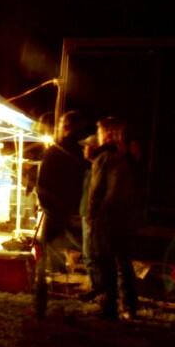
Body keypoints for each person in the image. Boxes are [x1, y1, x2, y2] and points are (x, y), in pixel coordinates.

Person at [34, 110, 90, 317]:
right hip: (78, 214)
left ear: (65, 127)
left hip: (57, 213)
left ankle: (43, 302)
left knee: (45, 259)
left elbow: (42, 186)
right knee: (87, 258)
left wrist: (51, 207)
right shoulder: (83, 154)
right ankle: (70, 300)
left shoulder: (55, 152)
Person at [88, 117, 143, 320]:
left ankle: (109, 306)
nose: (100, 136)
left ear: (109, 133)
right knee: (124, 263)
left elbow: (98, 189)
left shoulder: (106, 157)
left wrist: (92, 214)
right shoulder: (128, 157)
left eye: (102, 132)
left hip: (108, 217)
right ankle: (129, 306)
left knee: (106, 263)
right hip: (126, 218)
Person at [78, 134, 102, 300]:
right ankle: (96, 287)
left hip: (92, 217)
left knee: (92, 253)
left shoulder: (98, 169)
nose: (84, 149)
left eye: (86, 146)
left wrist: (91, 215)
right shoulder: (91, 169)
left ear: (93, 148)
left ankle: (97, 288)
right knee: (89, 253)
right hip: (87, 215)